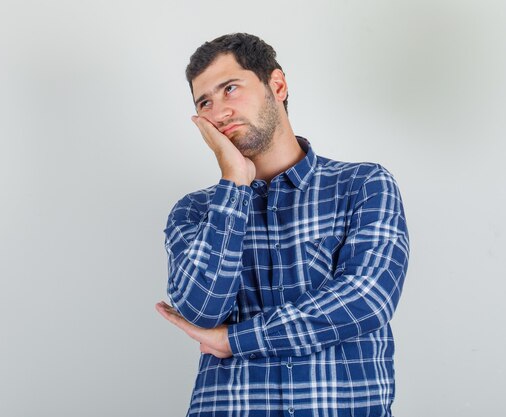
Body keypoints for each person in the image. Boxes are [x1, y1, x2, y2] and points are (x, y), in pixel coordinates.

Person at [155, 33, 409, 417]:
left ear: (277, 85)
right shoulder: (193, 211)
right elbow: (201, 311)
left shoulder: (364, 185)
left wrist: (235, 340)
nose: (218, 111)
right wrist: (234, 185)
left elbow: (366, 300)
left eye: (230, 89)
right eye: (204, 102)